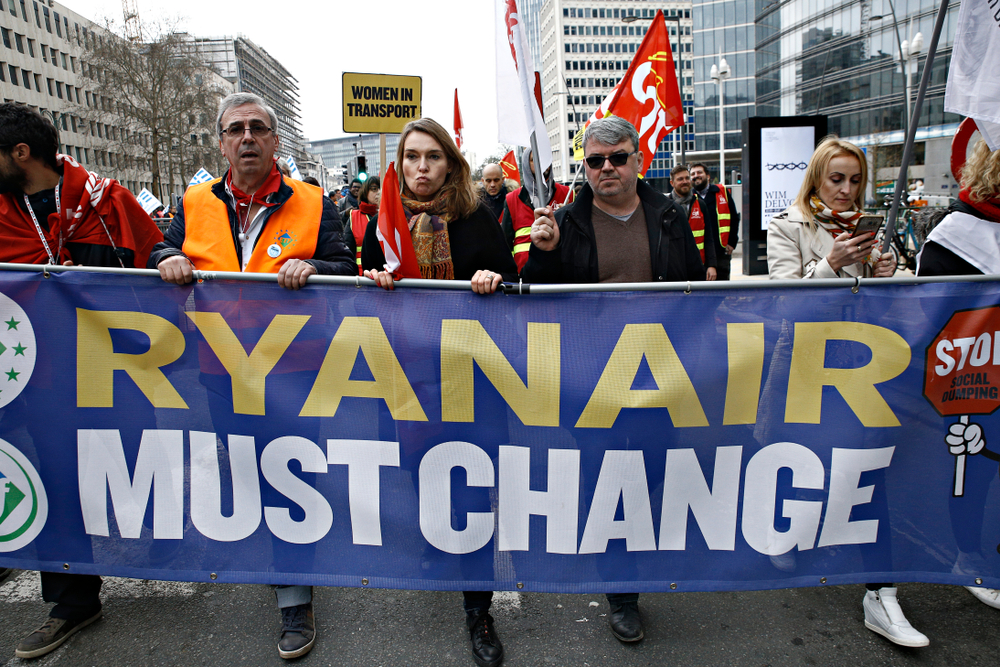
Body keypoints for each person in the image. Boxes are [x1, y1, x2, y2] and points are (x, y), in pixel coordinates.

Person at [148, 92, 355, 660]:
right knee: (247, 469)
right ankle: (280, 556)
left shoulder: (313, 203)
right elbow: (162, 246)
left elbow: (346, 263)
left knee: (289, 473)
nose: (246, 138)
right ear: (220, 142)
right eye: (235, 129)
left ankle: (294, 595)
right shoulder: (193, 202)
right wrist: (164, 257)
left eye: (257, 128)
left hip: (295, 369)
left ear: (274, 140)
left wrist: (314, 266)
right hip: (221, 367)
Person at [523, 116, 704, 645]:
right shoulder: (565, 220)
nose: (607, 168)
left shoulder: (669, 215)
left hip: (661, 376)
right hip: (592, 379)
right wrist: (544, 251)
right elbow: (538, 302)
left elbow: (694, 288)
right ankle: (622, 591)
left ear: (638, 160)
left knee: (651, 477)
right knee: (606, 483)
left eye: (618, 158)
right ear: (584, 167)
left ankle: (640, 556)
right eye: (596, 161)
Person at [0, 102, 163, 660]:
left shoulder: (104, 198)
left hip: (117, 373)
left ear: (21, 154)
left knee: (139, 463)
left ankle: (170, 546)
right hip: (38, 380)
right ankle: (73, 601)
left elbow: (156, 247)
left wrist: (168, 257)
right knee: (55, 483)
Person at [361, 118, 517, 667]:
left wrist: (490, 284)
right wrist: (375, 279)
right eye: (411, 157)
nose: (420, 167)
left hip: (471, 378)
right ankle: (435, 541)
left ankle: (479, 608)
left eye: (431, 156)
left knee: (472, 487)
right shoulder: (384, 220)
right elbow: (362, 280)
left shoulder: (477, 217)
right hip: (406, 377)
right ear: (399, 163)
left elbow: (511, 283)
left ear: (450, 162)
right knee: (422, 471)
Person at [765, 137, 925, 647]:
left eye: (855, 180)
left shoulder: (870, 232)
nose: (846, 190)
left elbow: (902, 306)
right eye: (836, 179)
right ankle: (787, 530)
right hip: (805, 370)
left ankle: (882, 593)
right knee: (800, 462)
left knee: (870, 472)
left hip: (862, 371)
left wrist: (888, 272)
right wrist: (831, 264)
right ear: (816, 178)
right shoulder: (786, 226)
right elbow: (784, 304)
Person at [917, 138, 1000, 611]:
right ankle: (967, 554)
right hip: (976, 379)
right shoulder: (955, 235)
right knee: (975, 473)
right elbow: (933, 315)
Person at [500, 147, 575, 271]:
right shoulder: (511, 199)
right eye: (534, 159)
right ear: (525, 163)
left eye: (544, 158)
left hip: (560, 271)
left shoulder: (568, 194)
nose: (541, 162)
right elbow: (505, 244)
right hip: (524, 275)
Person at [690, 162, 740, 280]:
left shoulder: (721, 192)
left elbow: (734, 218)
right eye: (692, 174)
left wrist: (732, 243)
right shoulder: (689, 197)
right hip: (698, 255)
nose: (696, 175)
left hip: (720, 252)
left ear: (707, 176)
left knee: (721, 289)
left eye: (699, 172)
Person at [667, 164, 716, 280]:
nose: (685, 182)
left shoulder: (701, 204)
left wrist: (712, 265)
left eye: (687, 178)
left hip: (698, 266)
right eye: (680, 179)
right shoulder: (665, 206)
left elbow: (708, 237)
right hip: (674, 269)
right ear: (672, 183)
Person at [344, 175, 380, 275]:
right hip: (362, 277)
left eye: (381, 188)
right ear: (365, 192)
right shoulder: (353, 217)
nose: (378, 192)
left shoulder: (392, 216)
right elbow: (347, 253)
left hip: (389, 278)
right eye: (374, 189)